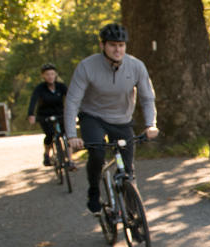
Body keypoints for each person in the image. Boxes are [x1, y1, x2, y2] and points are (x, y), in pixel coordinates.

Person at [65, 23, 159, 215]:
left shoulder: (136, 66)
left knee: (127, 169)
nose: (118, 49)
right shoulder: (87, 66)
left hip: (122, 119)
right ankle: (93, 190)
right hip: (93, 116)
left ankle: (133, 214)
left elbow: (147, 97)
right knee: (97, 153)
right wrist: (72, 135)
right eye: (112, 45)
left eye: (121, 45)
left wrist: (151, 125)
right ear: (103, 46)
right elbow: (73, 101)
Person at [27, 63, 72, 168]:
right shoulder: (40, 88)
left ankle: (70, 160)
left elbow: (71, 98)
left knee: (68, 135)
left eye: (52, 74)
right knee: (50, 135)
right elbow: (33, 101)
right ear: (43, 76)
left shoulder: (61, 87)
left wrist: (74, 111)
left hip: (60, 114)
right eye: (47, 74)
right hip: (45, 116)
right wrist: (31, 114)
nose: (50, 76)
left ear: (55, 74)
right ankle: (47, 154)